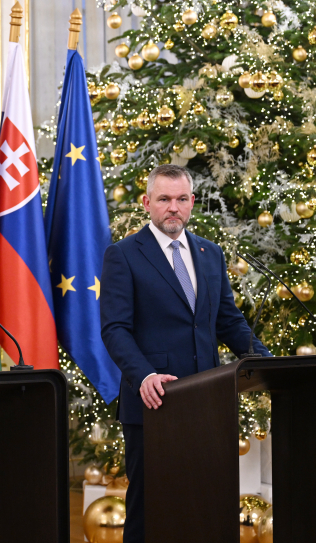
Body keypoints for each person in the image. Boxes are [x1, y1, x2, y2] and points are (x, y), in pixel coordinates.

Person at [99, 163, 270, 543]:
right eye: (163, 199)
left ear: (192, 202)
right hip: (155, 402)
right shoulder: (123, 255)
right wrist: (143, 375)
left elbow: (228, 320)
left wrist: (266, 361)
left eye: (181, 199)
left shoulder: (210, 254)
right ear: (147, 203)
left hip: (209, 402)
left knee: (207, 500)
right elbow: (115, 329)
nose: (172, 207)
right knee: (149, 506)